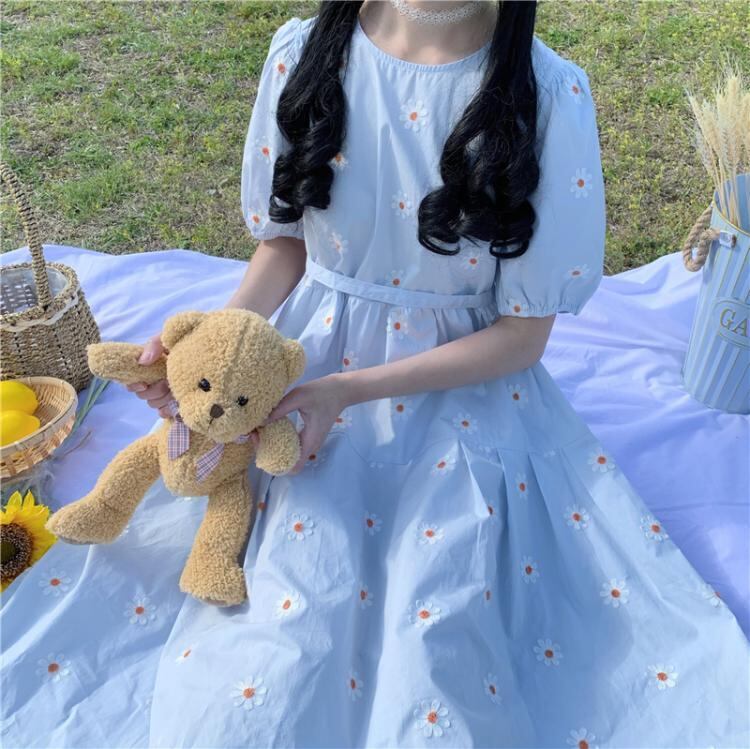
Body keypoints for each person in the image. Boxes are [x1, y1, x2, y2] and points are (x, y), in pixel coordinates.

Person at [3, 2, 749, 748]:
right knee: (276, 629)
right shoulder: (305, 54)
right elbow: (286, 245)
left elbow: (522, 338)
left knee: (443, 621)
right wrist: (217, 352)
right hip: (303, 362)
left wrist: (346, 391)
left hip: (462, 389)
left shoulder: (547, 94)